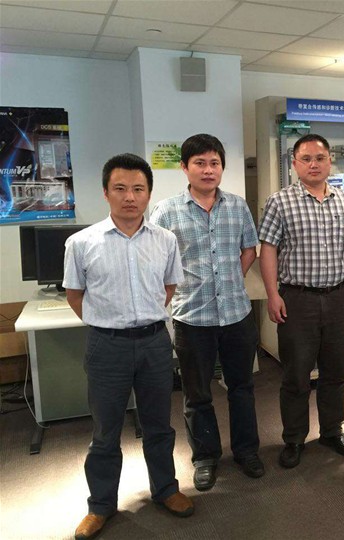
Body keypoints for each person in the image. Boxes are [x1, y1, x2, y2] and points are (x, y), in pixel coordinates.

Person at [64, 154, 193, 540]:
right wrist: (108, 322)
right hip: (107, 346)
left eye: (138, 189)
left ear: (149, 193)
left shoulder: (165, 240)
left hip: (154, 343)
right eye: (120, 188)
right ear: (106, 193)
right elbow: (75, 295)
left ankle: (166, 489)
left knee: (159, 425)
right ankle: (100, 505)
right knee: (106, 431)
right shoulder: (81, 242)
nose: (130, 197)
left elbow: (169, 287)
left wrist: (144, 318)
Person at [150, 134, 263, 491]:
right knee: (197, 394)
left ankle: (247, 450)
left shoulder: (238, 206)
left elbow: (249, 249)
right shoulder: (166, 211)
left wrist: (231, 279)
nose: (208, 170)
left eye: (214, 163)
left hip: (236, 314)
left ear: (222, 168)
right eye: (200, 163)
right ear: (185, 167)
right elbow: (157, 261)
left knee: (242, 387)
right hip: (192, 318)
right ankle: (205, 457)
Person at [258, 133, 344, 469]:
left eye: (319, 158)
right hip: (298, 300)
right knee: (296, 375)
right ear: (294, 164)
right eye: (306, 159)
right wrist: (272, 294)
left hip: (338, 298)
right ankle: (294, 438)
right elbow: (268, 250)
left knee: (335, 371)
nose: (313, 164)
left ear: (330, 161)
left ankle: (332, 430)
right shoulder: (279, 201)